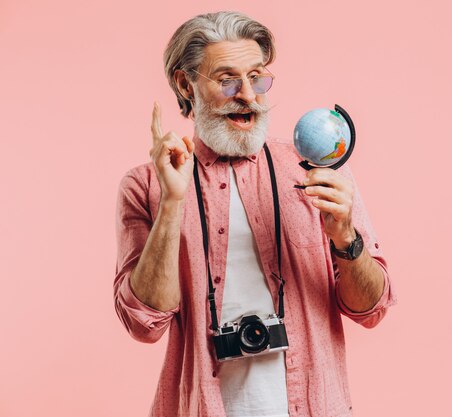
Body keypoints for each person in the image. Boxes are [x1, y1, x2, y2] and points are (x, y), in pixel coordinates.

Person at [114, 11, 396, 417]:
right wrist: (172, 203)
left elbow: (372, 309)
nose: (248, 94)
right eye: (227, 79)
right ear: (184, 83)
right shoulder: (146, 186)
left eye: (257, 77)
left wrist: (345, 238)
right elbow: (145, 324)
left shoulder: (316, 169)